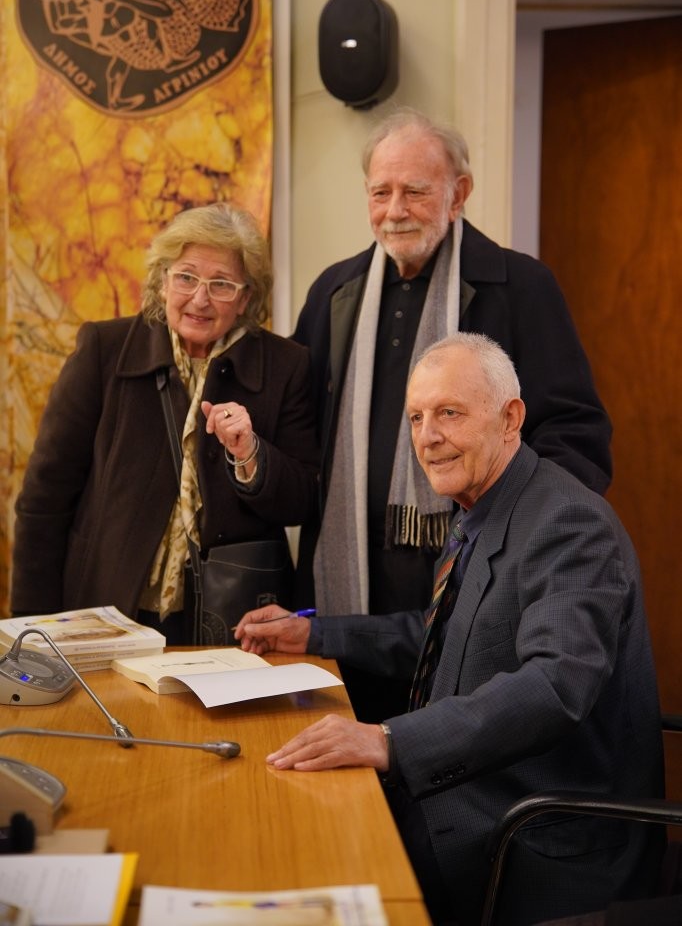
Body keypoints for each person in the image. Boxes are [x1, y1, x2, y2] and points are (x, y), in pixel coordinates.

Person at [235, 333, 664, 926]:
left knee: (306, 861)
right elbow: (443, 636)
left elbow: (555, 684)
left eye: (450, 413)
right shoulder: (483, 507)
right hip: (469, 798)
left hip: (534, 836)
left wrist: (390, 741)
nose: (427, 437)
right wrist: (312, 635)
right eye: (416, 417)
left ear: (510, 418)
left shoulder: (567, 520)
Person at [291, 107, 613, 722]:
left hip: (474, 575)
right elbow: (301, 434)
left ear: (458, 193)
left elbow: (577, 435)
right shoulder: (333, 292)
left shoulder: (522, 286)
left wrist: (512, 535)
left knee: (444, 755)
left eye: (415, 191)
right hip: (349, 587)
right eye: (380, 192)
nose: (395, 210)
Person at [11, 202, 319, 643]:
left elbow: (303, 501)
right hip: (108, 607)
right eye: (186, 277)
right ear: (162, 281)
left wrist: (252, 455)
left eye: (221, 284)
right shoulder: (105, 350)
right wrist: (32, 627)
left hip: (231, 620)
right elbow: (46, 497)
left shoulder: (286, 365)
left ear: (246, 298)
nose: (200, 299)